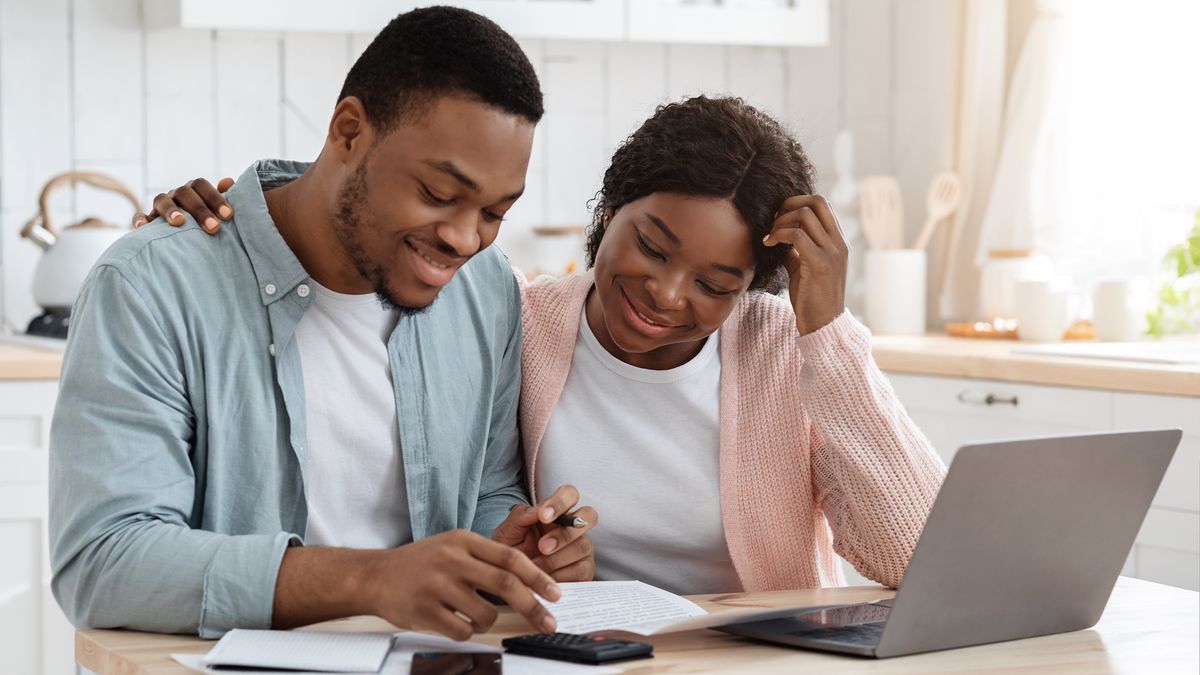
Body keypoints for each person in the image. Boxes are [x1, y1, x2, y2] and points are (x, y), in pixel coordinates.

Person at [149, 96, 946, 596]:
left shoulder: (786, 350)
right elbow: (356, 230)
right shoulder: (516, 317)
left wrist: (829, 333)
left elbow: (916, 557)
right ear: (612, 208)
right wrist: (230, 221)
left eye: (716, 283)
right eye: (653, 246)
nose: (668, 295)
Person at [49, 7, 598, 642]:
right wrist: (370, 579)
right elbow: (102, 561)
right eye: (439, 195)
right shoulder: (152, 286)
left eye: (495, 211)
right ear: (348, 130)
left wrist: (514, 552)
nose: (464, 238)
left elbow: (489, 490)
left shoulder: (487, 289)